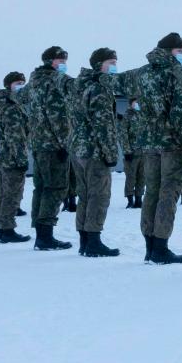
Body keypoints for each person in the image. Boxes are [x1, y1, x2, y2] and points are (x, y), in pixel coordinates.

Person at [134, 32, 182, 263]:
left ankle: (150, 247)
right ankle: (161, 248)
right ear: (171, 50)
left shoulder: (143, 72)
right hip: (172, 144)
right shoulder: (176, 73)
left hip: (150, 143)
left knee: (151, 192)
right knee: (168, 195)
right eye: (180, 51)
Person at [71, 48, 121, 257]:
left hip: (78, 149)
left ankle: (84, 240)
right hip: (94, 150)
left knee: (84, 195)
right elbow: (104, 126)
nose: (115, 66)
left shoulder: (81, 85)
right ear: (99, 64)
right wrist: (110, 155)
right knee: (99, 196)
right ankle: (93, 241)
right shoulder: (100, 89)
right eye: (111, 61)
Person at [26, 46, 74, 250]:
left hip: (39, 144)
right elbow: (58, 117)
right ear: (49, 61)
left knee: (41, 188)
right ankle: (45, 235)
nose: (63, 62)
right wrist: (64, 143)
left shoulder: (34, 82)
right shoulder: (53, 82)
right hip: (53, 145)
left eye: (65, 59)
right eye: (59, 60)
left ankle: (40, 233)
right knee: (55, 188)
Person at [0, 72, 32, 243]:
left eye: (23, 82)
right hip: (10, 155)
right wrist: (21, 159)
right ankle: (6, 228)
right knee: (12, 193)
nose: (21, 85)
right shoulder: (11, 106)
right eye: (17, 83)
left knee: (2, 191)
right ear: (9, 85)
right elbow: (16, 136)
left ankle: (0, 224)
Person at [118, 97, 145, 208]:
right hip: (131, 153)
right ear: (130, 104)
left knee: (142, 177)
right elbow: (123, 135)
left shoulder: (143, 116)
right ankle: (130, 200)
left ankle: (139, 199)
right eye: (135, 102)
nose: (137, 104)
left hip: (143, 151)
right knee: (131, 177)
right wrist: (126, 151)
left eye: (138, 102)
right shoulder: (127, 116)